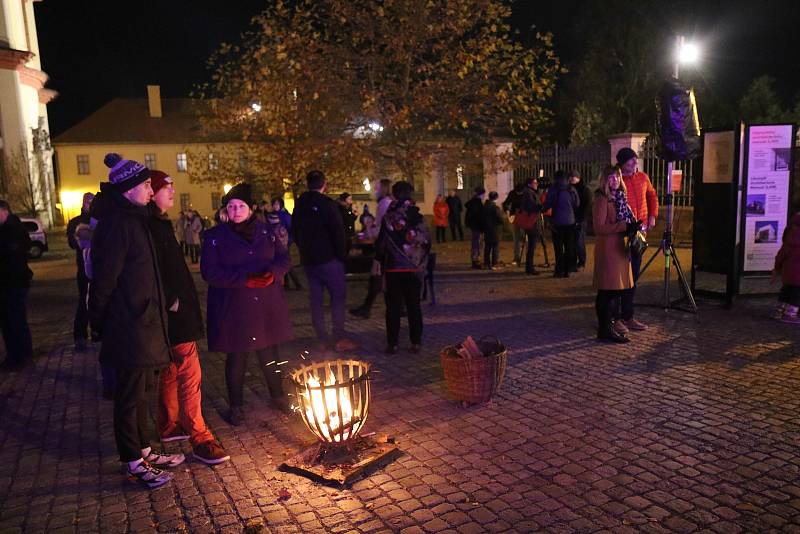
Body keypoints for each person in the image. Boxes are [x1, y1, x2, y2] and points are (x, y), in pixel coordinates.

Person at [89, 153, 183, 489]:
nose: (149, 188)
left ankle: (145, 450)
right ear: (129, 189)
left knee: (144, 392)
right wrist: (98, 321)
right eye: (145, 184)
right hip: (129, 326)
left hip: (145, 323)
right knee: (129, 398)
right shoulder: (118, 225)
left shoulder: (136, 219)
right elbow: (104, 280)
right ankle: (132, 462)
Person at [147, 171, 229, 464]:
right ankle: (200, 436)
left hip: (172, 312)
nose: (172, 192)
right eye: (165, 188)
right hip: (173, 314)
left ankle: (169, 424)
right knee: (189, 374)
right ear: (150, 192)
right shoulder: (151, 225)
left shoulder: (157, 222)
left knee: (171, 369)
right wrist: (173, 301)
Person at [201, 183, 293, 426]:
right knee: (237, 356)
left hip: (265, 304)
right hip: (235, 307)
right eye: (231, 206)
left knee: (269, 352)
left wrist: (273, 273)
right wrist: (244, 280)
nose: (235, 210)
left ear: (251, 209)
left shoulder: (267, 232)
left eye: (241, 206)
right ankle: (236, 405)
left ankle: (278, 395)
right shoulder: (214, 237)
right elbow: (210, 272)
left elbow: (284, 258)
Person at [292, 170, 358, 351]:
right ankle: (339, 337)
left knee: (316, 300)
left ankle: (321, 338)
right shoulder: (328, 205)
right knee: (337, 298)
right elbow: (338, 232)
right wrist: (341, 255)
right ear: (324, 184)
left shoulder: (300, 204)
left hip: (309, 261)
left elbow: (295, 230)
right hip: (329, 259)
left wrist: (304, 250)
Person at [374, 181, 431, 354]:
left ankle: (392, 343)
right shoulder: (417, 216)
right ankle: (416, 342)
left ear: (394, 194)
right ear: (410, 194)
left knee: (393, 307)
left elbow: (382, 243)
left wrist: (379, 260)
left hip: (393, 268)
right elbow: (427, 241)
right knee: (414, 306)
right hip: (413, 268)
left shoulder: (389, 216)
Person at [592, 166, 637, 343]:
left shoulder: (620, 197)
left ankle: (609, 327)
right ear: (604, 180)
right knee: (607, 291)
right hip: (608, 250)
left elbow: (625, 219)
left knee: (615, 291)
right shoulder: (602, 199)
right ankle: (605, 329)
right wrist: (624, 227)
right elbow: (599, 227)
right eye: (610, 178)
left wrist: (633, 225)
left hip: (620, 248)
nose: (615, 180)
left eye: (617, 177)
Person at [617, 147, 658, 330]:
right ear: (622, 164)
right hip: (623, 234)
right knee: (620, 278)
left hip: (640, 235)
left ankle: (628, 315)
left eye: (635, 159)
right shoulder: (617, 180)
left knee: (634, 275)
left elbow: (652, 195)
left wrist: (652, 215)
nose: (635, 163)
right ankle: (617, 317)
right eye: (630, 161)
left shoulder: (643, 177)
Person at [350, 179, 392, 319]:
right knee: (379, 278)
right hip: (385, 246)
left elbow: (381, 227)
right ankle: (368, 307)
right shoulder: (385, 203)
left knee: (377, 276)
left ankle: (367, 308)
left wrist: (369, 230)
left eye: (377, 188)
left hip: (384, 247)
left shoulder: (384, 204)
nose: (374, 191)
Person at [0, 200, 34, 372]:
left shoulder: (14, 229)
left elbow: (17, 253)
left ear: (5, 211)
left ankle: (23, 355)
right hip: (6, 283)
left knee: (16, 320)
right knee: (7, 322)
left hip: (15, 282)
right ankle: (14, 355)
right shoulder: (7, 229)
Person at [66, 192, 94, 351]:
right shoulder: (76, 222)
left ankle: (99, 332)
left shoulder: (99, 219)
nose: (90, 204)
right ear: (83, 203)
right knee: (84, 301)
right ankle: (80, 335)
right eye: (88, 202)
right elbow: (73, 242)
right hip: (84, 268)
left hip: (100, 267)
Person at [541, 170, 580, 278]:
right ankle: (567, 270)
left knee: (558, 248)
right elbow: (577, 204)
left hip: (557, 222)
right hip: (570, 222)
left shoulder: (553, 190)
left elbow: (547, 204)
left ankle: (559, 270)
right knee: (569, 247)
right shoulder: (571, 189)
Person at [772, 213, 800, 323]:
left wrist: (776, 268)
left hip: (788, 272)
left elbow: (781, 255)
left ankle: (778, 311)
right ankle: (790, 314)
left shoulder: (789, 239)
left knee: (786, 290)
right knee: (796, 294)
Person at [271, 197, 303, 290]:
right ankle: (287, 284)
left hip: (285, 243)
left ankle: (297, 284)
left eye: (277, 204)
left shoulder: (285, 216)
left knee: (287, 264)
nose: (275, 206)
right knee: (281, 263)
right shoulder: (271, 215)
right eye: (274, 204)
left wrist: (289, 241)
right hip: (275, 243)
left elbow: (291, 229)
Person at [516, 177, 544, 275]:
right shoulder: (529, 193)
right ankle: (530, 268)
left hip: (532, 221)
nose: (536, 184)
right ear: (529, 184)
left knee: (532, 245)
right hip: (532, 222)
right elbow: (531, 206)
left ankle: (529, 267)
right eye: (534, 183)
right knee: (532, 246)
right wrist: (541, 206)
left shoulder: (529, 192)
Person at [570, 170, 592, 270]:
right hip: (571, 219)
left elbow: (587, 206)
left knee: (579, 241)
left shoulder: (585, 190)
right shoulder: (569, 189)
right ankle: (573, 261)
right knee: (572, 241)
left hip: (580, 219)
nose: (571, 178)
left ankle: (582, 261)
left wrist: (581, 219)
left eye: (573, 177)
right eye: (570, 177)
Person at [502, 184, 527, 266]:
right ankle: (517, 257)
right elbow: (506, 203)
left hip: (524, 217)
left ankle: (527, 257)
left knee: (526, 239)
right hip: (515, 217)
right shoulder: (512, 194)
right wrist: (507, 211)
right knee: (516, 239)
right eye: (517, 193)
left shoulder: (526, 194)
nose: (518, 194)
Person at [464, 186, 486, 269]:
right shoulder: (477, 204)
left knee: (476, 243)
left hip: (474, 226)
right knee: (477, 243)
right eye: (483, 194)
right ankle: (476, 260)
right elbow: (479, 216)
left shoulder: (472, 203)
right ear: (481, 194)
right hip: (477, 226)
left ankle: (476, 260)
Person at [483, 191, 504, 270]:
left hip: (487, 229)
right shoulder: (495, 208)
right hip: (495, 230)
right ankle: (494, 263)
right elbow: (500, 219)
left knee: (487, 247)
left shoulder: (485, 206)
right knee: (495, 247)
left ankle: (486, 263)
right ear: (496, 198)